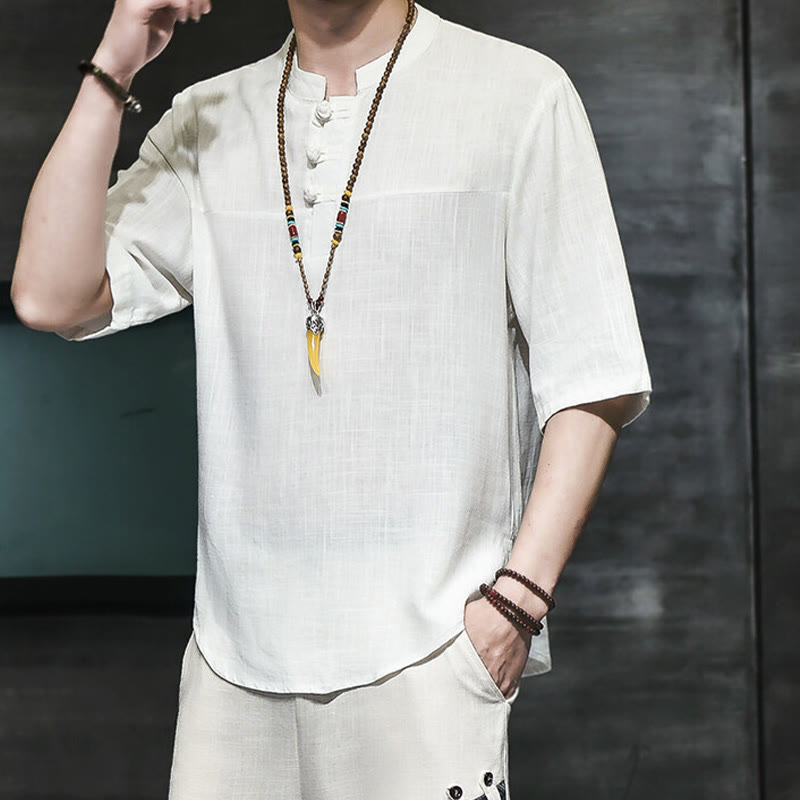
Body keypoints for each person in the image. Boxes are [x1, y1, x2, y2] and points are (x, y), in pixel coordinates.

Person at [11, 0, 653, 797]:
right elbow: (51, 295)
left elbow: (592, 375)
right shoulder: (212, 116)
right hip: (231, 666)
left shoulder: (517, 94)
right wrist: (115, 63)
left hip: (429, 655)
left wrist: (517, 604)